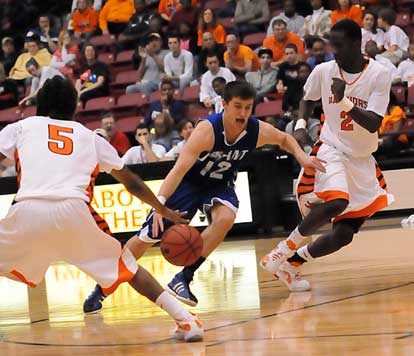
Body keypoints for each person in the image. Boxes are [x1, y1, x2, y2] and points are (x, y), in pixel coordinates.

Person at [82, 80, 325, 311]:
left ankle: (184, 277)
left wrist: (302, 157)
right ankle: (102, 288)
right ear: (224, 104)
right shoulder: (206, 130)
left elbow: (284, 138)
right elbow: (178, 171)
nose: (242, 113)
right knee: (145, 238)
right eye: (237, 107)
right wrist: (160, 205)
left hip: (219, 184)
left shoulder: (255, 130)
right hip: (189, 184)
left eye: (248, 108)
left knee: (225, 218)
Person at [0, 76, 204, 342]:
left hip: (27, 208)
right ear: (74, 107)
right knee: (127, 267)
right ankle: (187, 321)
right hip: (73, 211)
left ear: (39, 104)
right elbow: (130, 181)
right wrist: (160, 208)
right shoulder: (89, 136)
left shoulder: (21, 127)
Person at [260, 19, 394, 292]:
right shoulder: (323, 70)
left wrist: (343, 101)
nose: (335, 51)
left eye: (340, 46)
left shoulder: (379, 74)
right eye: (332, 45)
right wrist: (300, 125)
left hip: (361, 159)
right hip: (332, 148)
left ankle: (291, 264)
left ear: (357, 44)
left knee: (344, 235)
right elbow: (307, 99)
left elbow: (373, 123)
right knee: (337, 201)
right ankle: (281, 250)